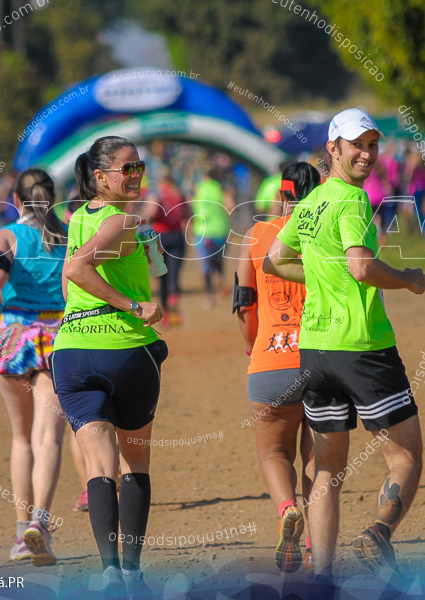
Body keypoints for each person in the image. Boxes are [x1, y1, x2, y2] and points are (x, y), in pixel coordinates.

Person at [265, 108, 425, 583]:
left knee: (326, 473)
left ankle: (323, 578)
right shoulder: (353, 199)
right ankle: (378, 534)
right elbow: (361, 267)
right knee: (406, 457)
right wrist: (408, 280)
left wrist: (319, 277)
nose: (366, 154)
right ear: (332, 148)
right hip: (362, 347)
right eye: (357, 144)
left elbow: (275, 260)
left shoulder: (310, 203)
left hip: (314, 348)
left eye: (373, 145)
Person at [51, 136, 169, 598]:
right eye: (127, 169)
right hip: (124, 347)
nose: (136, 175)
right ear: (100, 177)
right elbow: (79, 269)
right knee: (135, 462)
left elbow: (67, 284)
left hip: (73, 351)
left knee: (99, 465)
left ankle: (109, 572)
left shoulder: (80, 218)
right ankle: (134, 573)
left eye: (139, 166)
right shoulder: (123, 219)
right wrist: (133, 305)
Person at [0, 168, 69, 566]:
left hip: (15, 338)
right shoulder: (69, 235)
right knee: (48, 437)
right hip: (59, 337)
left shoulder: (7, 236)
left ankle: (19, 533)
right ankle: (40, 524)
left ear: (16, 201)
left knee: (21, 437)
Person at [236, 162, 320, 572]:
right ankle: (315, 544)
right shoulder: (327, 234)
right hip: (323, 358)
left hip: (271, 359)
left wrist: (252, 345)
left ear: (281, 195)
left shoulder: (256, 235)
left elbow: (244, 303)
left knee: (273, 451)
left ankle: (287, 509)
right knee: (316, 456)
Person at [150, 168, 191, 326]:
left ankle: (166, 314)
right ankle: (175, 307)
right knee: (174, 275)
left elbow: (152, 212)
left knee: (162, 277)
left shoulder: (158, 194)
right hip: (177, 237)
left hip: (160, 237)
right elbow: (188, 213)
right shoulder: (179, 194)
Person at [192, 166, 235, 309]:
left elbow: (190, 204)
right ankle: (221, 282)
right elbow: (230, 207)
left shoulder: (198, 187)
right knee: (219, 260)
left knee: (205, 264)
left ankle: (209, 295)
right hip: (221, 229)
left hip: (202, 230)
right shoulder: (222, 189)